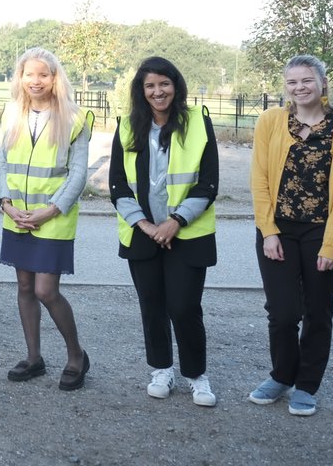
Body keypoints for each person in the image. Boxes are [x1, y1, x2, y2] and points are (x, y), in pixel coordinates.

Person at [109, 57, 218, 407]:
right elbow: (117, 185)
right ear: (142, 92)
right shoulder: (127, 127)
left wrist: (175, 222)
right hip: (143, 233)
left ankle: (197, 376)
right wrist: (145, 224)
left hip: (186, 233)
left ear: (176, 85)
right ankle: (161, 369)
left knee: (185, 307)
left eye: (164, 84)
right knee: (152, 305)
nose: (158, 92)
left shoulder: (198, 122)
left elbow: (209, 182)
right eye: (150, 86)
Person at [249, 54, 333, 416]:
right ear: (285, 87)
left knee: (318, 311)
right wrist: (268, 231)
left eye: (306, 81)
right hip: (278, 230)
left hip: (323, 230)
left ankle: (306, 385)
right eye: (292, 82)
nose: (299, 88)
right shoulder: (271, 121)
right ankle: (281, 376)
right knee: (283, 312)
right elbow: (259, 179)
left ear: (322, 83)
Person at [0, 47, 92, 390]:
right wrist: (5, 204)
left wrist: (51, 209)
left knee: (45, 290)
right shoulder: (12, 114)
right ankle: (34, 358)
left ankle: (76, 356)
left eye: (43, 75)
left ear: (55, 78)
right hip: (17, 215)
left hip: (53, 217)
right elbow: (3, 164)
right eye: (29, 74)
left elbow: (78, 174)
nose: (35, 81)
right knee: (24, 287)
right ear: (20, 78)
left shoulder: (76, 118)